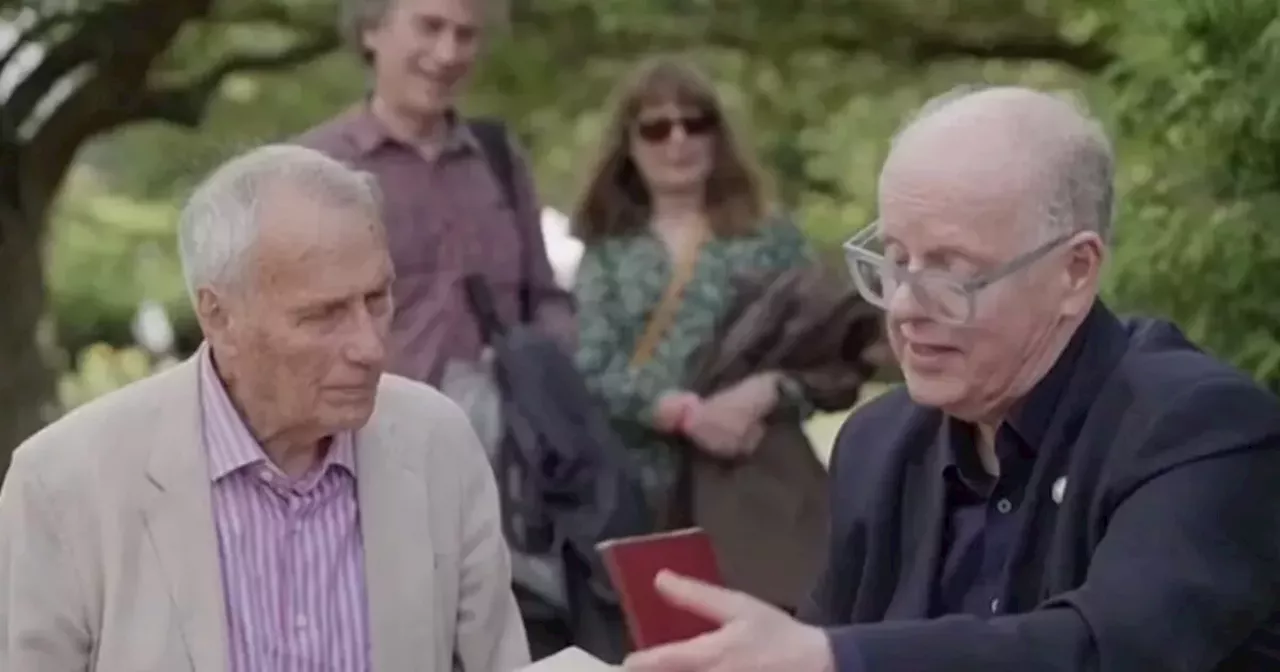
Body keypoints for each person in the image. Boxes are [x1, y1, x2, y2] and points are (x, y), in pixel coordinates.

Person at [621, 86, 1280, 672]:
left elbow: (1107, 650)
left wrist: (830, 658)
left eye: (950, 270)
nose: (904, 306)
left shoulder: (1199, 427)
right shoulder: (880, 444)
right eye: (894, 261)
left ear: (1075, 273)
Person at [0, 145, 528, 672]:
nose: (369, 346)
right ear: (220, 317)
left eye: (377, 299)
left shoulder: (437, 441)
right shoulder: (62, 483)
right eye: (323, 316)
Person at [299, 0, 572, 387]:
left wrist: (549, 360)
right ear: (370, 31)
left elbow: (546, 297)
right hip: (376, 435)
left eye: (466, 35)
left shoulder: (498, 157)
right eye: (430, 27)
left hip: (509, 439)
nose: (448, 53)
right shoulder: (314, 168)